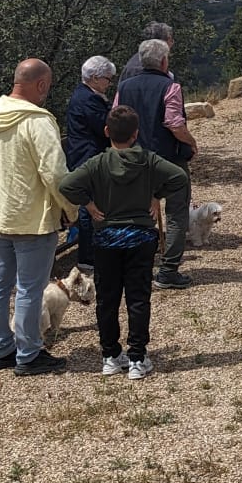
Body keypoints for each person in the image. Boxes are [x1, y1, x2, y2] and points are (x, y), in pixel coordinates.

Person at [58, 102, 189, 380]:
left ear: (106, 131)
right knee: (138, 298)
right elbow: (179, 177)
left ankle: (109, 355)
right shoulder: (149, 160)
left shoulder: (97, 163)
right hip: (141, 237)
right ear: (136, 134)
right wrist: (157, 195)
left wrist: (89, 204)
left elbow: (66, 185)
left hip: (106, 238)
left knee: (107, 299)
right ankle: (138, 357)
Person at [0, 58, 73, 377]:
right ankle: (29, 353)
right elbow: (55, 173)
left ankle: (0, 347)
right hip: (32, 218)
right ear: (41, 85)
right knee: (30, 288)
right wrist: (71, 210)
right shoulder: (39, 121)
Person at [115, 40, 196, 290]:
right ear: (163, 62)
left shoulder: (124, 87)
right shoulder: (170, 86)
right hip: (166, 160)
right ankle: (168, 270)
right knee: (176, 212)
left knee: (139, 213)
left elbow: (117, 118)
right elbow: (173, 123)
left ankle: (139, 267)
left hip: (133, 159)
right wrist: (191, 142)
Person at [64, 56, 117, 271]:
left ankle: (95, 252)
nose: (109, 83)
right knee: (90, 208)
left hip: (85, 155)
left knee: (93, 207)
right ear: (94, 78)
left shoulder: (86, 94)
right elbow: (105, 127)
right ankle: (88, 258)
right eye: (107, 79)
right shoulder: (89, 99)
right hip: (88, 158)